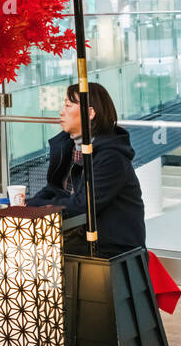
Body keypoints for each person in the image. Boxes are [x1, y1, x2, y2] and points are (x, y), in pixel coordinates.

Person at [29, 82, 146, 254]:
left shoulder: (112, 157)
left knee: (33, 252)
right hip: (77, 234)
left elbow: (84, 205)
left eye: (68, 105)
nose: (62, 112)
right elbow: (55, 188)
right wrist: (26, 205)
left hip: (112, 245)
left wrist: (36, 208)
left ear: (90, 113)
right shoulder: (68, 147)